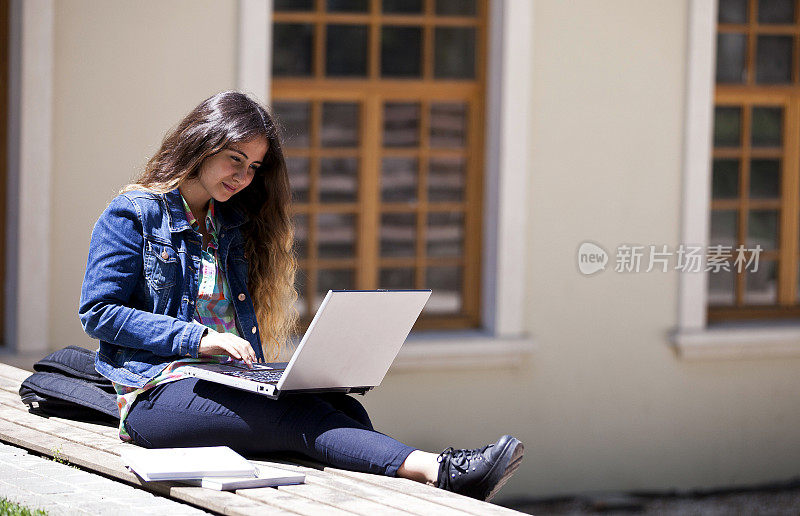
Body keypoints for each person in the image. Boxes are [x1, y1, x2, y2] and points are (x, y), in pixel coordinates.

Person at [78, 91, 524, 502]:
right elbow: (98, 312)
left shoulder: (227, 226)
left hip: (225, 381)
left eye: (253, 167)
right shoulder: (133, 214)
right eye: (235, 159)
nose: (243, 176)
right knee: (299, 419)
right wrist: (197, 339)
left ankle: (399, 495)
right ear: (200, 144)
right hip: (155, 392)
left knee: (340, 406)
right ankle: (439, 471)